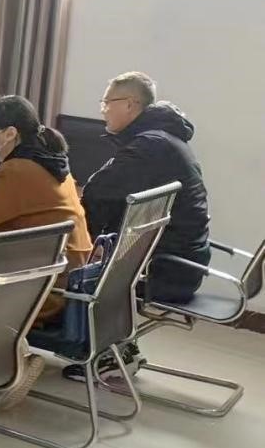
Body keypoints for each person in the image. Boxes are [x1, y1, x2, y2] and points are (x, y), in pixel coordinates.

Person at [0, 95, 93, 406]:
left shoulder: (17, 170)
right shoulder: (52, 162)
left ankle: (7, 365)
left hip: (38, 290)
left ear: (10, 133)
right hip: (68, 281)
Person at [81, 72, 210, 305]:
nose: (103, 110)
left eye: (107, 103)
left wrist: (86, 242)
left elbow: (97, 194)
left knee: (68, 271)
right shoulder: (164, 139)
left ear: (129, 104)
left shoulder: (150, 145)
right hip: (182, 267)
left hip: (162, 271)